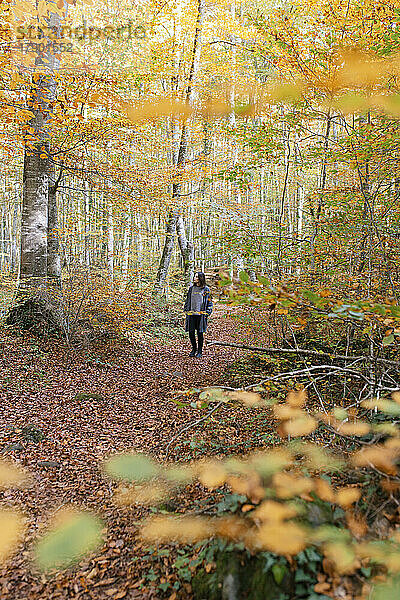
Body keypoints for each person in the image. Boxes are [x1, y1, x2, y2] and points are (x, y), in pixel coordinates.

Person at [183, 272, 213, 358]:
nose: (194, 278)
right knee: (191, 332)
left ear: (200, 278)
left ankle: (200, 351)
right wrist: (186, 309)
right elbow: (187, 300)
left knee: (200, 333)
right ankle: (194, 349)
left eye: (196, 276)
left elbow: (209, 301)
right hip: (191, 314)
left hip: (201, 314)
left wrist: (208, 312)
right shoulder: (191, 289)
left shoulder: (206, 289)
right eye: (194, 276)